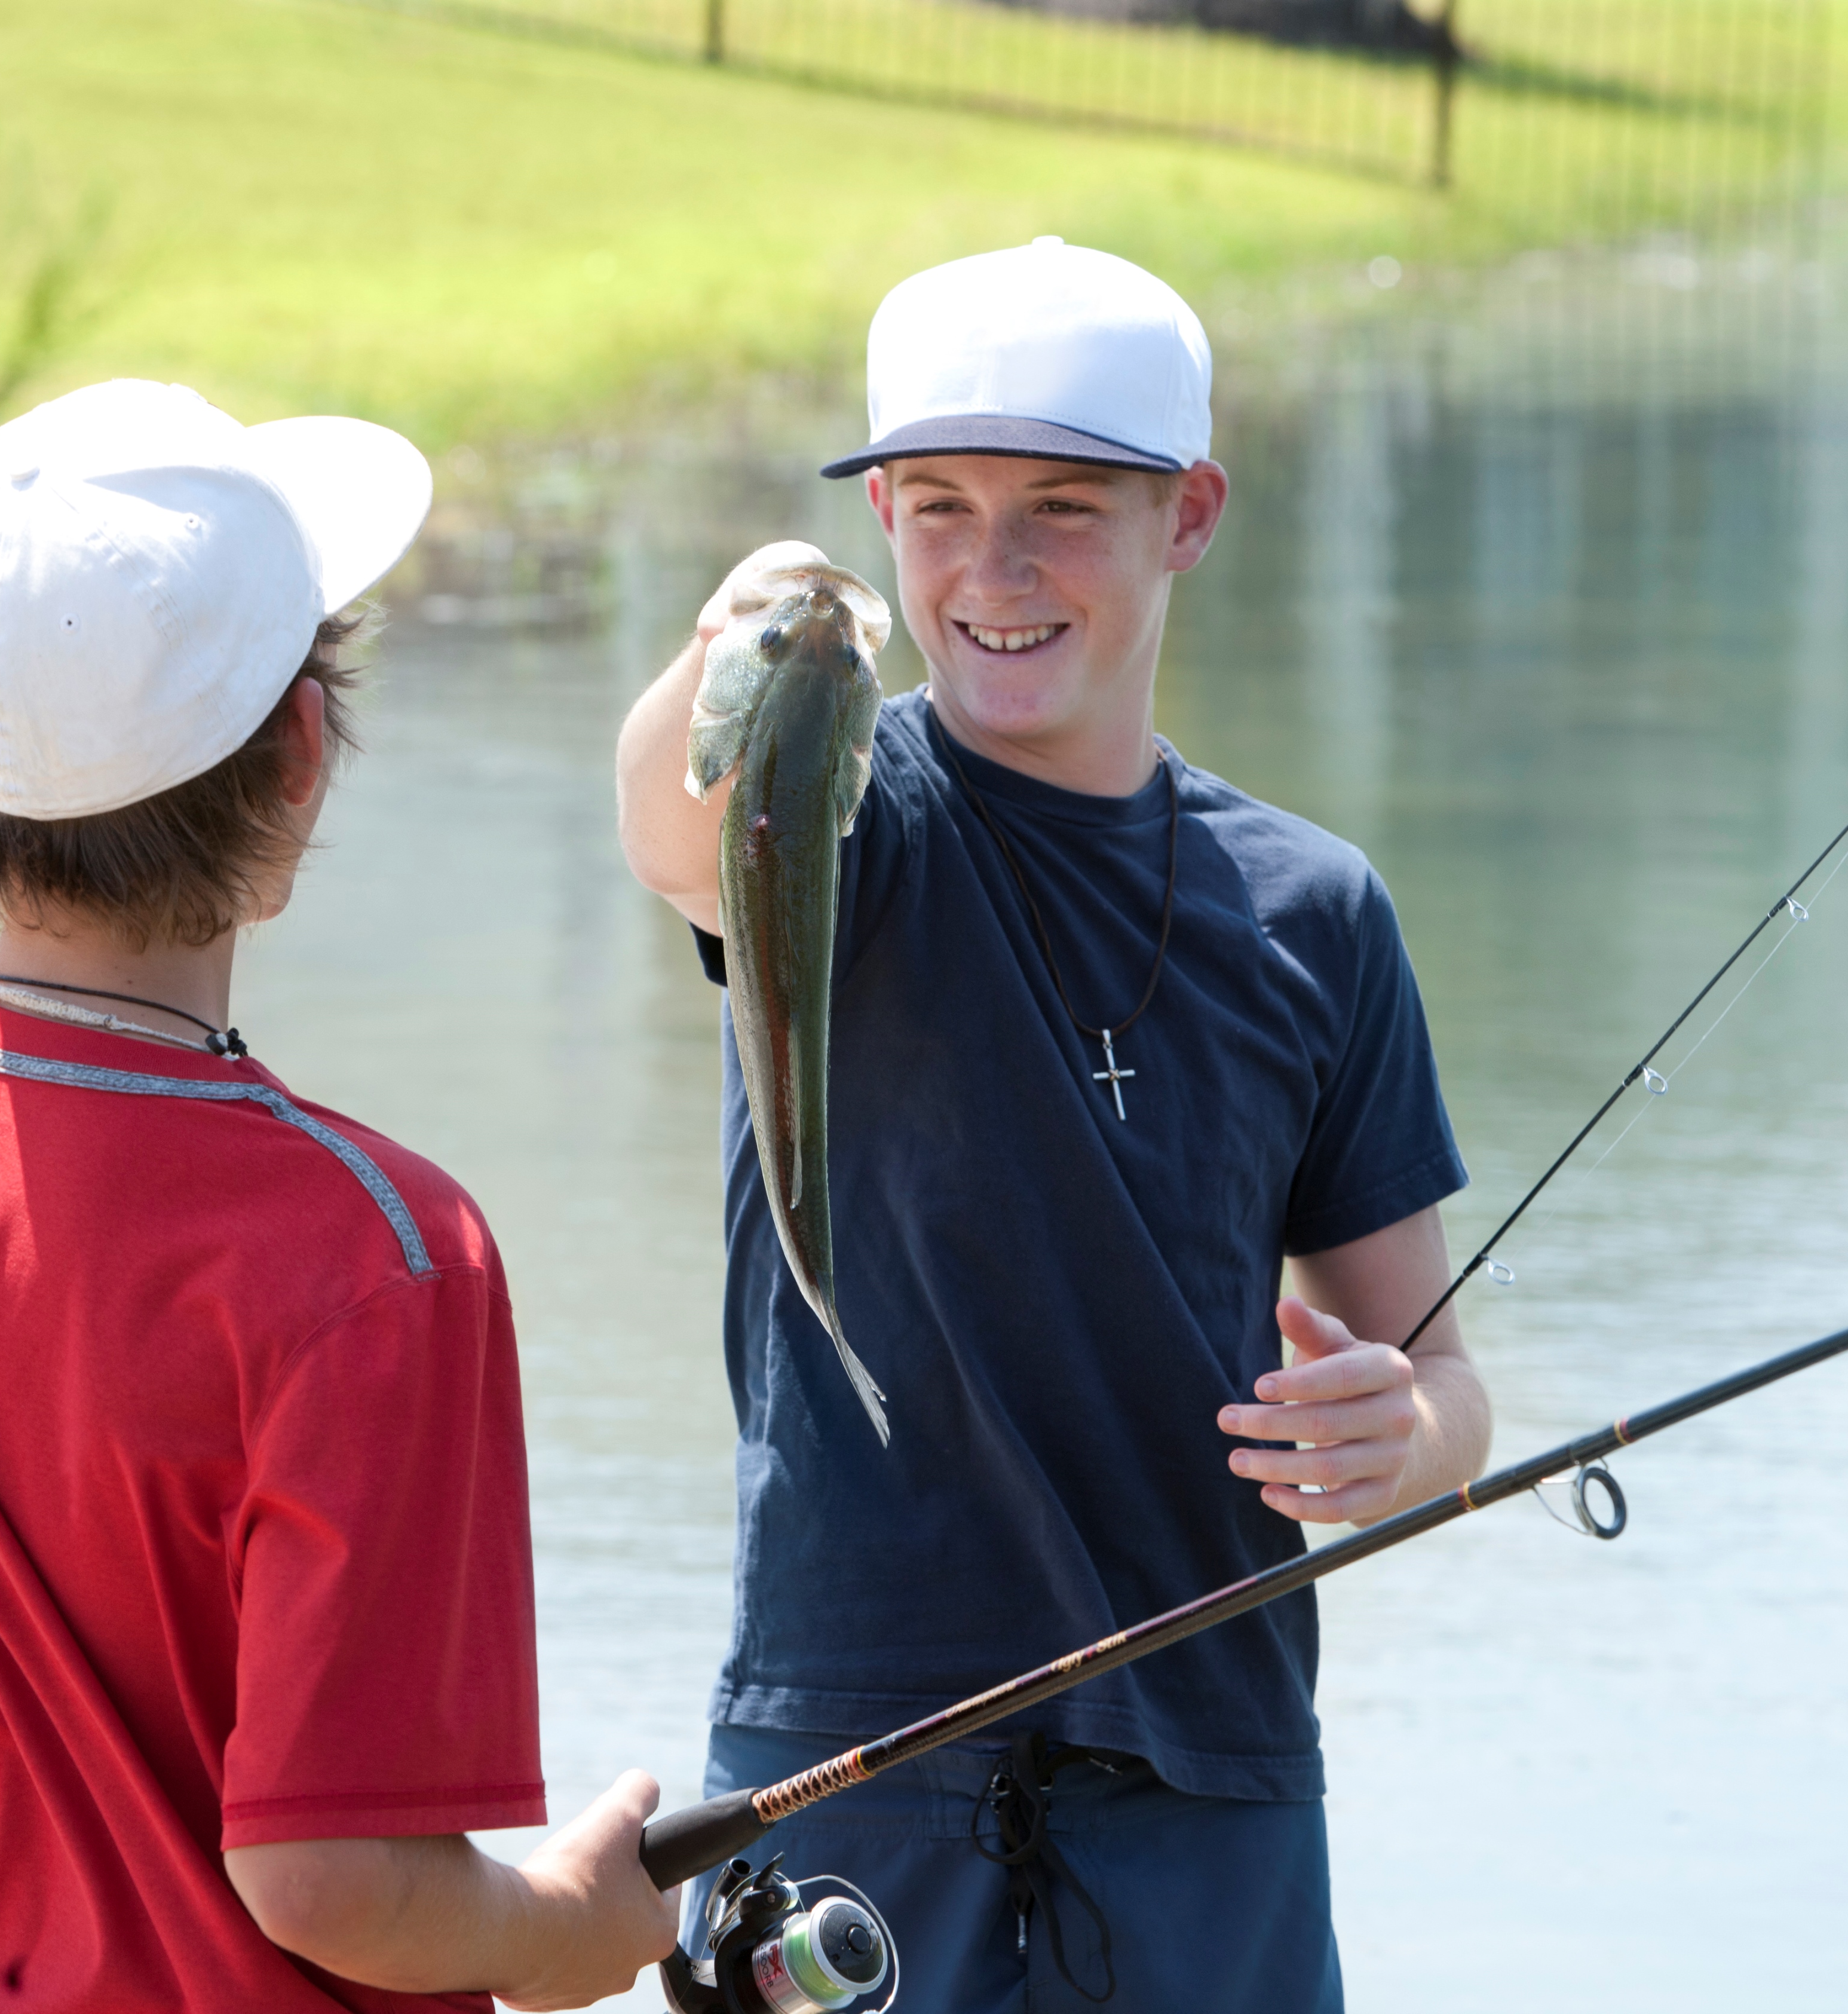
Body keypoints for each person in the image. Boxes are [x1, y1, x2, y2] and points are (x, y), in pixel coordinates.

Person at [0, 379, 676, 2013]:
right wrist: (567, 1928)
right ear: (301, 757)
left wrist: (40, 1898)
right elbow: (328, 1879)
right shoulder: (384, 1255)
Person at [614, 241, 1493, 2008]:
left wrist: (1403, 1435)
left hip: (1213, 1763)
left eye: (1064, 509)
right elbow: (670, 819)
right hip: (848, 1747)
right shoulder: (840, 800)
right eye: (934, 506)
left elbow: (1444, 1379)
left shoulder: (1316, 910)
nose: (993, 569)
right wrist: (736, 639)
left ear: (1192, 515)